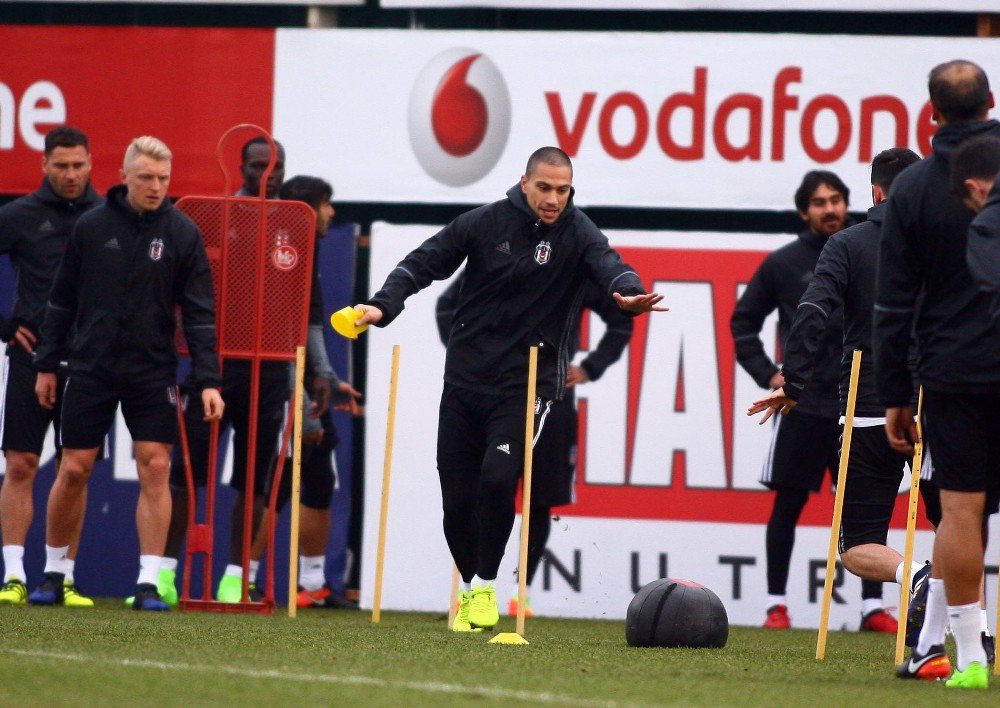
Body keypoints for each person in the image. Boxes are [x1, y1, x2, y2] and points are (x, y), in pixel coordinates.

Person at [350, 146, 664, 632]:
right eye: (545, 188)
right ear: (525, 183)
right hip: (463, 381)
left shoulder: (580, 233)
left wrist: (629, 293)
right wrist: (382, 306)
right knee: (457, 500)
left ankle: (487, 588)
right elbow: (424, 261)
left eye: (563, 190)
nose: (553, 199)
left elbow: (611, 266)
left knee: (498, 479)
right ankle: (474, 588)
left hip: (527, 386)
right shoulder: (483, 223)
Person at [747, 149, 941, 635]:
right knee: (960, 528)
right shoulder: (948, 241)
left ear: (873, 193)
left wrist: (791, 380)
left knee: (855, 543)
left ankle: (914, 578)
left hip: (869, 406)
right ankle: (973, 633)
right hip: (942, 407)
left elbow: (812, 315)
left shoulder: (848, 245)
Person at [31, 136, 224, 611]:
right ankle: (56, 573)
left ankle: (148, 582)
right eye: (146, 178)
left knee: (156, 466)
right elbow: (60, 301)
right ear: (124, 177)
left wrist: (208, 379)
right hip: (91, 365)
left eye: (163, 178)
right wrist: (46, 366)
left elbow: (200, 313)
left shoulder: (183, 233)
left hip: (151, 368)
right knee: (73, 467)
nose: (155, 186)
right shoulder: (92, 227)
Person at [875, 60, 1000, 690]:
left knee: (961, 511)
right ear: (991, 102)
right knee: (970, 517)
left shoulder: (915, 188)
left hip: (954, 371)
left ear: (931, 113)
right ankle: (932, 647)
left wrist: (895, 394)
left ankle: (969, 655)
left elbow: (893, 303)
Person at [732, 170, 894, 632]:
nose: (830, 209)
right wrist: (773, 374)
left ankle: (871, 607)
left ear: (851, 202)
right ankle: (776, 604)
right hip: (804, 405)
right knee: (788, 504)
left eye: (837, 199)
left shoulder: (872, 249)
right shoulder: (784, 263)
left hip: (860, 403)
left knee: (863, 506)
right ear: (805, 211)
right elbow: (743, 322)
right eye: (819, 202)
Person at [163, 138, 312, 605]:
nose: (267, 175)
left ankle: (236, 576)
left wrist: (314, 373)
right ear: (240, 167)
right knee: (187, 474)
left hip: (269, 369)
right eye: (257, 166)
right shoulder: (212, 216)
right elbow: (183, 294)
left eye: (277, 167)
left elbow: (309, 307)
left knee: (254, 479)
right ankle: (165, 573)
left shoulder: (295, 222)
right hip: (213, 365)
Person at [436, 272, 633, 617]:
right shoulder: (498, 251)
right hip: (490, 393)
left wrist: (591, 366)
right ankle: (477, 590)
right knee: (487, 485)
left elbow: (620, 319)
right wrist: (469, 359)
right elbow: (446, 307)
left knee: (539, 497)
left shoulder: (575, 259)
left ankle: (520, 593)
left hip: (550, 393)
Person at [243, 175, 362, 609]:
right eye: (325, 204)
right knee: (275, 479)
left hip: (306, 381)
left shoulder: (304, 256)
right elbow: (280, 332)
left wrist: (326, 376)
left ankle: (311, 584)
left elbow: (308, 326)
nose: (332, 212)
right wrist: (302, 398)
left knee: (317, 478)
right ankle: (244, 578)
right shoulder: (278, 257)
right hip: (281, 381)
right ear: (303, 209)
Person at [0, 127, 103, 608]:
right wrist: (5, 326)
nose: (70, 174)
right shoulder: (19, 216)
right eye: (61, 165)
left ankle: (61, 575)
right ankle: (14, 574)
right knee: (21, 463)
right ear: (44, 166)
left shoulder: (108, 217)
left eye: (78, 164)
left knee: (74, 468)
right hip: (31, 355)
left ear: (90, 164)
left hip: (88, 362)